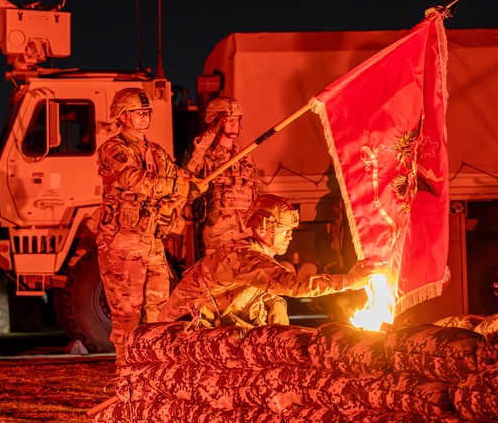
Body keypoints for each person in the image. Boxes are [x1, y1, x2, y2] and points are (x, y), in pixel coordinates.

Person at [158, 194, 373, 327]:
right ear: (262, 229)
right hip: (181, 335)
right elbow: (293, 285)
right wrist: (350, 280)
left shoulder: (253, 255)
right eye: (284, 230)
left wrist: (277, 305)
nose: (290, 236)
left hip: (198, 331)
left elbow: (269, 293)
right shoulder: (244, 258)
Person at [96, 87, 197, 357]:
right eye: (137, 113)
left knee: (158, 308)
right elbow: (133, 180)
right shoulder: (113, 149)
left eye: (146, 112)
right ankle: (125, 371)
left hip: (151, 239)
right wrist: (175, 185)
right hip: (123, 240)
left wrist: (185, 188)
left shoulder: (157, 152)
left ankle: (151, 369)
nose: (144, 117)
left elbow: (179, 182)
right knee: (127, 313)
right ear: (122, 116)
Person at [184, 96, 259, 254]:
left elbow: (255, 193)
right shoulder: (204, 154)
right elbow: (189, 169)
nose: (234, 123)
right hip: (217, 235)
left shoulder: (245, 156)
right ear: (215, 121)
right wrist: (211, 132)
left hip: (246, 232)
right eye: (228, 119)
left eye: (237, 118)